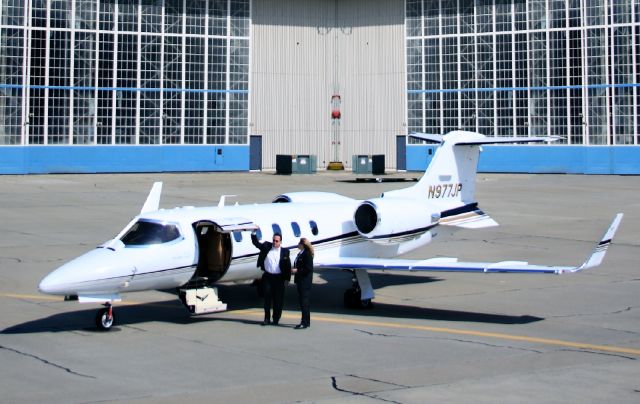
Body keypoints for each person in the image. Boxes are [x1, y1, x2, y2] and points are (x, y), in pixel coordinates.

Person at [251, 231, 291, 326]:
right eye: (273, 240)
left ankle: (276, 318)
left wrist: (287, 279)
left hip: (279, 278)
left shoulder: (285, 252)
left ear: (280, 242)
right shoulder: (266, 247)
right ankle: (266, 318)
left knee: (278, 300)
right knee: (267, 299)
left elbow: (288, 267)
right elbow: (256, 243)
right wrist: (253, 234)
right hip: (268, 277)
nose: (274, 242)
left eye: (277, 241)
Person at [292, 238, 314, 329]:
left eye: (299, 243)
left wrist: (297, 270)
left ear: (302, 244)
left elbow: (308, 269)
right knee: (304, 302)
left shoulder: (307, 255)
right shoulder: (301, 254)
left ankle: (304, 322)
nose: (297, 244)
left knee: (304, 302)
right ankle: (306, 321)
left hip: (304, 282)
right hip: (300, 281)